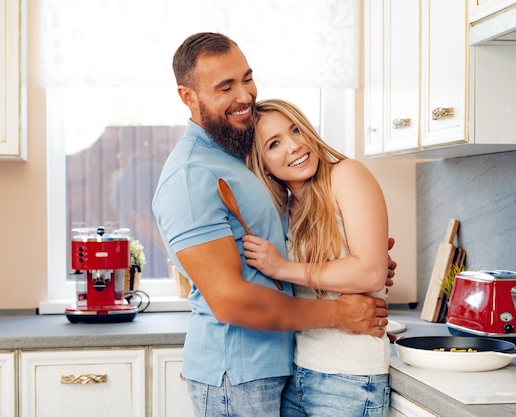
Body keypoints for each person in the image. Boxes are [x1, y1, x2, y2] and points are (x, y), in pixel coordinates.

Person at [152, 32, 394, 417]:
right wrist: (337, 312)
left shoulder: (235, 158)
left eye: (247, 78)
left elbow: (288, 250)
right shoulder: (190, 174)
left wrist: (352, 256)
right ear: (188, 97)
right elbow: (230, 300)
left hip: (284, 367)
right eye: (225, 86)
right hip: (238, 371)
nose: (245, 95)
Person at [243, 99, 390, 416]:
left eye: (296, 129)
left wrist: (283, 268)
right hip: (298, 374)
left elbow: (371, 273)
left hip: (349, 380)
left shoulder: (347, 175)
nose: (294, 146)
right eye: (274, 143)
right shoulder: (286, 210)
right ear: (263, 163)